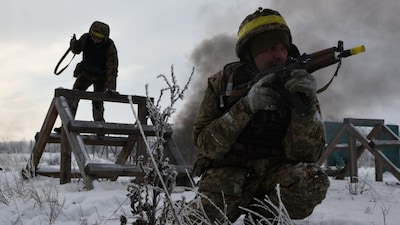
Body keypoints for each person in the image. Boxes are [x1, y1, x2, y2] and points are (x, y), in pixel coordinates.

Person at [191, 8, 330, 223]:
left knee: (312, 180)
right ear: (250, 52)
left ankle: (263, 219)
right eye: (271, 47)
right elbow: (205, 144)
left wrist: (306, 106)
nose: (280, 55)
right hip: (226, 180)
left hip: (273, 178)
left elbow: (306, 157)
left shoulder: (296, 83)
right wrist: (246, 107)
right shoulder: (223, 83)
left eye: (283, 47)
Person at [54, 21, 119, 133]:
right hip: (85, 73)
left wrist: (111, 87)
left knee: (98, 102)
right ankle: (67, 123)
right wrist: (73, 43)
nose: (95, 39)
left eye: (99, 37)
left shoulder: (109, 46)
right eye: (94, 35)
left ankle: (100, 127)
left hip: (101, 77)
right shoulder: (86, 38)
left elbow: (112, 68)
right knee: (73, 96)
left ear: (104, 37)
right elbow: (77, 50)